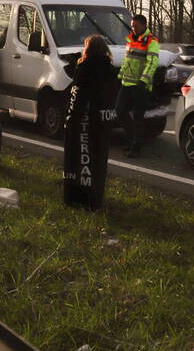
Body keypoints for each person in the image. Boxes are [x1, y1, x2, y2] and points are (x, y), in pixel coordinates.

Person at [63, 35, 113, 210]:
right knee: (99, 161)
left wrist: (70, 120)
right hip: (104, 121)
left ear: (88, 49)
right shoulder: (110, 69)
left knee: (82, 159)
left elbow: (77, 96)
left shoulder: (84, 67)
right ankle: (96, 199)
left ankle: (80, 199)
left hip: (86, 121)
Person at [115, 14, 159, 157]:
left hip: (140, 86)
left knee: (138, 118)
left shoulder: (151, 41)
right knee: (119, 111)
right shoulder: (131, 39)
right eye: (132, 26)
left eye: (136, 26)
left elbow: (152, 63)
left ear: (144, 25)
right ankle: (132, 141)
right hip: (126, 83)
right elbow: (127, 60)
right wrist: (120, 75)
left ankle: (135, 148)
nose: (133, 28)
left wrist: (143, 81)